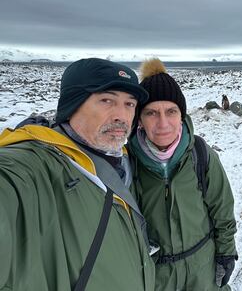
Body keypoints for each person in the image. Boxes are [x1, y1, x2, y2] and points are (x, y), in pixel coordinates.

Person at [0, 58, 155, 291]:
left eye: (129, 104)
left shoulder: (121, 160)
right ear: (73, 104)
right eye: (106, 100)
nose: (121, 116)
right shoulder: (34, 166)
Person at [128, 58, 238, 291]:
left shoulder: (200, 154)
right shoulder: (128, 162)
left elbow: (222, 209)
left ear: (182, 115)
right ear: (140, 119)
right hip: (157, 278)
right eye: (151, 113)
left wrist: (226, 253)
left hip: (203, 272)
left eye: (171, 111)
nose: (163, 123)